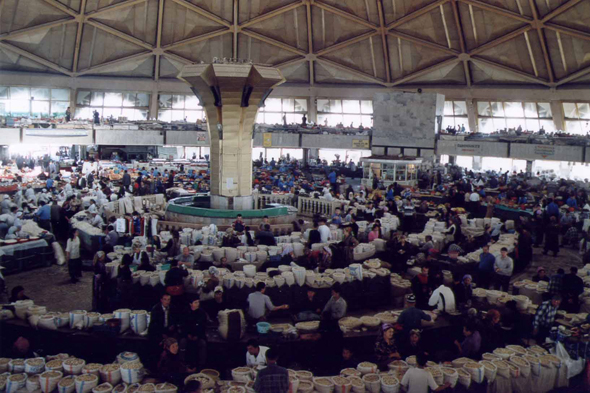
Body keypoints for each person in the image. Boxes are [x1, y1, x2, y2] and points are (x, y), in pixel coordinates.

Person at [180, 295, 208, 369]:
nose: (197, 304)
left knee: (202, 343)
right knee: (182, 342)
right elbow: (183, 326)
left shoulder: (202, 313)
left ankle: (201, 365)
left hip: (198, 335)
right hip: (187, 335)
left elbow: (202, 326)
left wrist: (197, 335)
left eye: (198, 302)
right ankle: (182, 363)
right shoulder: (185, 312)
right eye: (195, 302)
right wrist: (187, 334)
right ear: (190, 304)